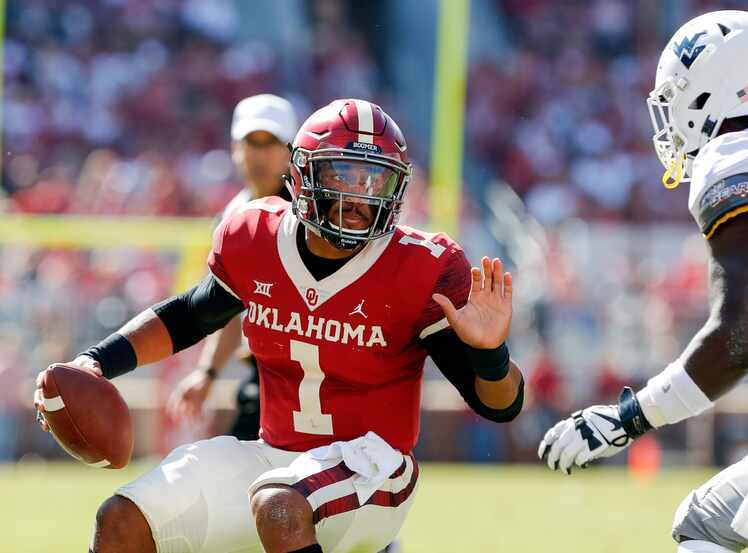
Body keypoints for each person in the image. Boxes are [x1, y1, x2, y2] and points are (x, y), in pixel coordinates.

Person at [34, 98, 524, 553]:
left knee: (279, 505)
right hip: (274, 454)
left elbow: (499, 404)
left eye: (375, 181)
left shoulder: (424, 265)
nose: (360, 197)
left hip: (376, 466)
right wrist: (94, 362)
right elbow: (190, 314)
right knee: (123, 519)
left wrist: (490, 352)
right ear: (304, 173)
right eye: (345, 176)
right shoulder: (254, 233)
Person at [536, 10, 748, 553]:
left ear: (716, 89)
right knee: (705, 524)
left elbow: (740, 331)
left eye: (678, 95)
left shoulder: (739, 155)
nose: (671, 118)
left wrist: (629, 417)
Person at [167, 93, 298, 441]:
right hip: (266, 373)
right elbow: (229, 303)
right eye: (251, 142)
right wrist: (208, 373)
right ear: (235, 147)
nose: (259, 154)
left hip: (316, 368)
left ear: (291, 148)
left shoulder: (310, 212)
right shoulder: (232, 216)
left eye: (269, 142)